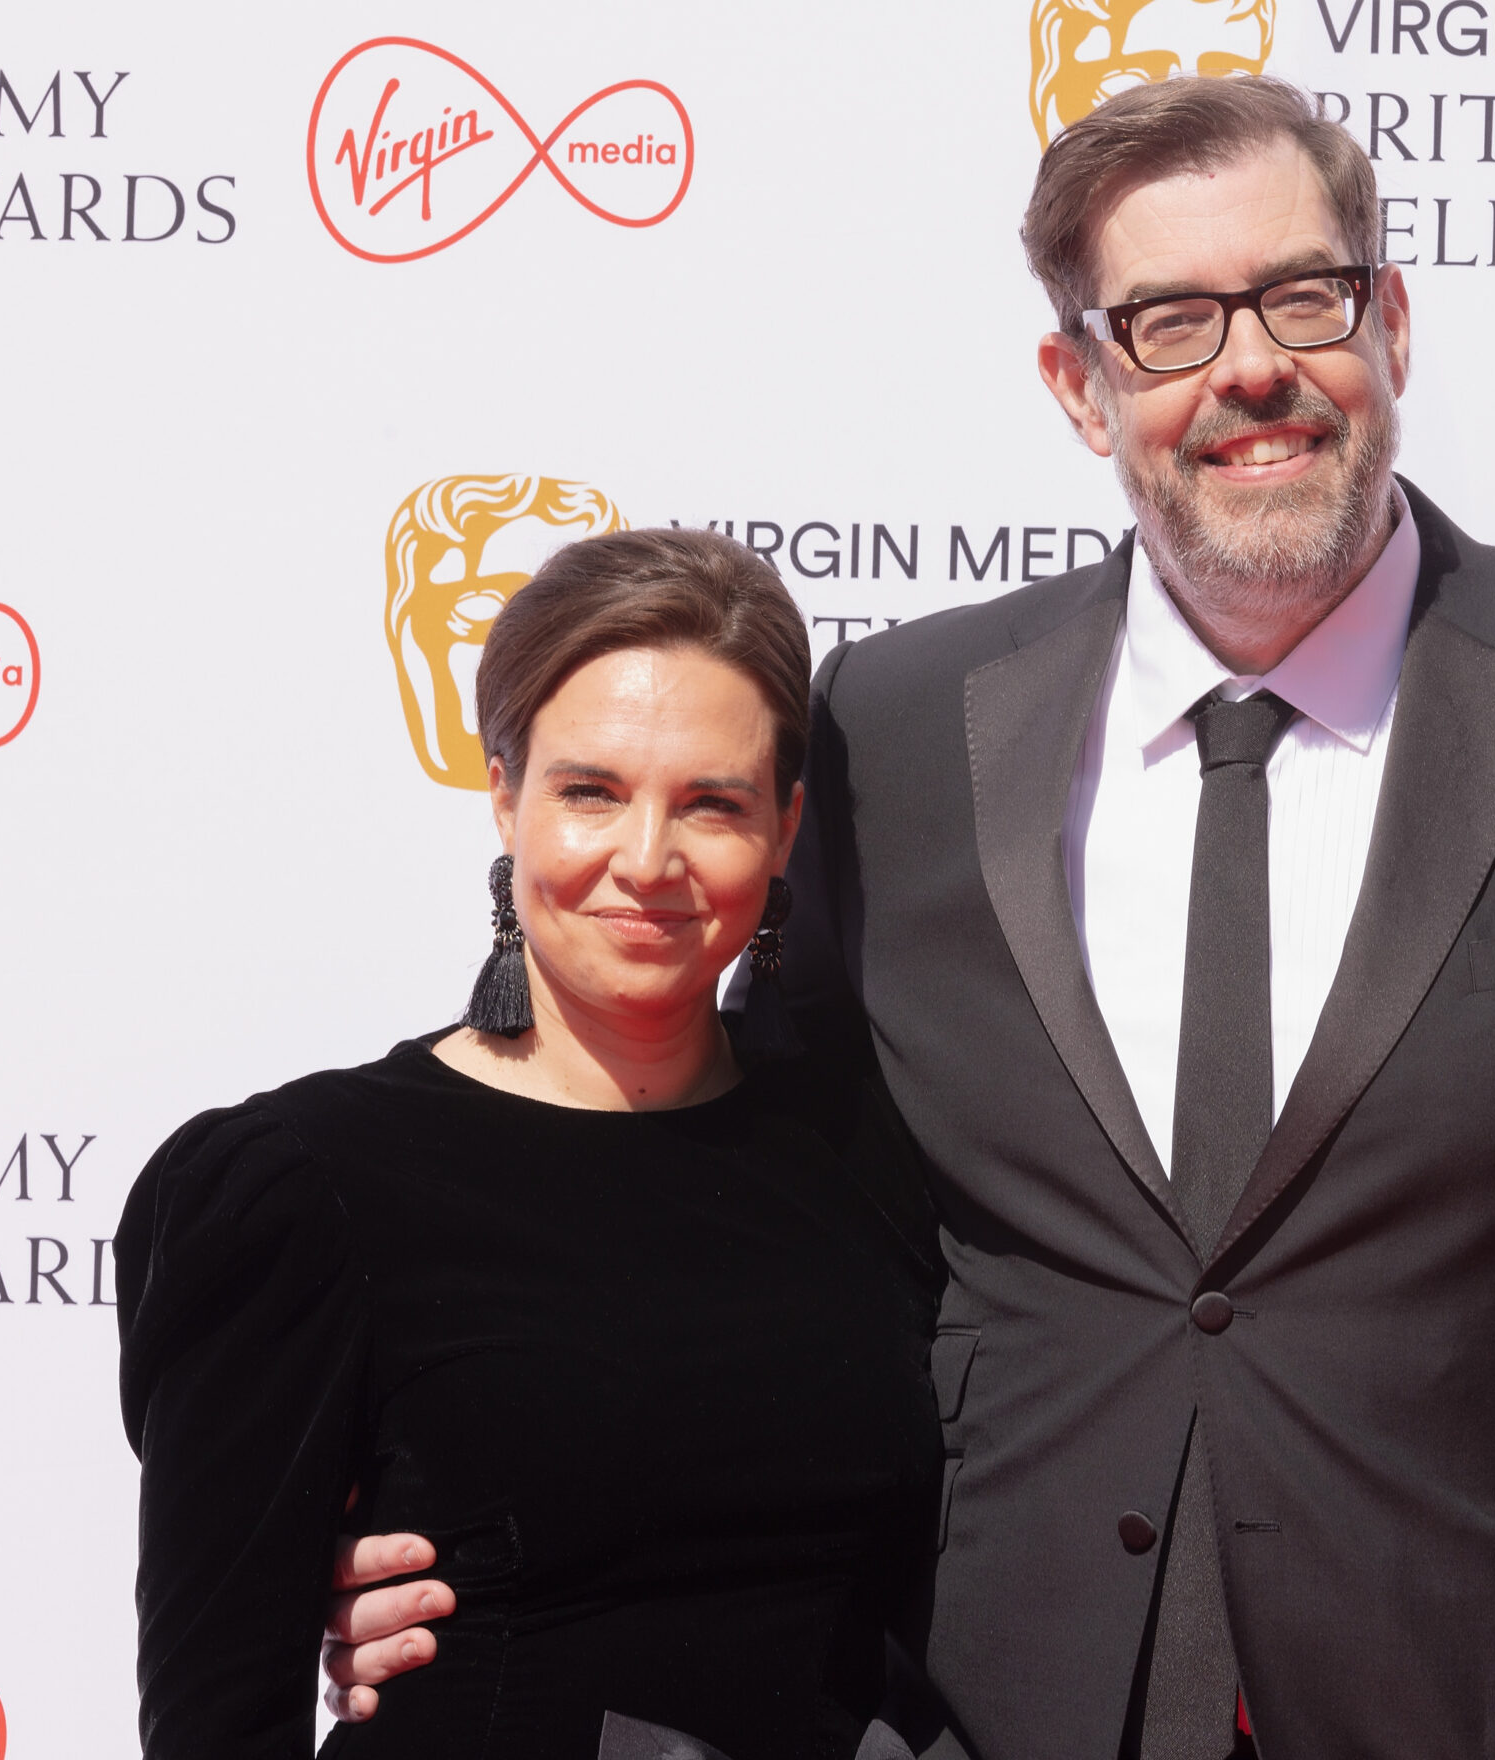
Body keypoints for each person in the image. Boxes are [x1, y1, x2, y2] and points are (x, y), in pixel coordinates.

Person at [329, 75, 1495, 1759]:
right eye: (1166, 321)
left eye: (1302, 295)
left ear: (1390, 321)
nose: (1251, 368)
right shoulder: (903, 726)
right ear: (1081, 389)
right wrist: (466, 1526)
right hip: (983, 1707)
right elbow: (727, 1222)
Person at [116, 530, 941, 1760]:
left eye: (712, 801)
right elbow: (217, 1717)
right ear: (504, 793)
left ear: (785, 828)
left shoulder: (866, 1151)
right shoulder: (310, 1184)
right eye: (590, 790)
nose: (647, 859)